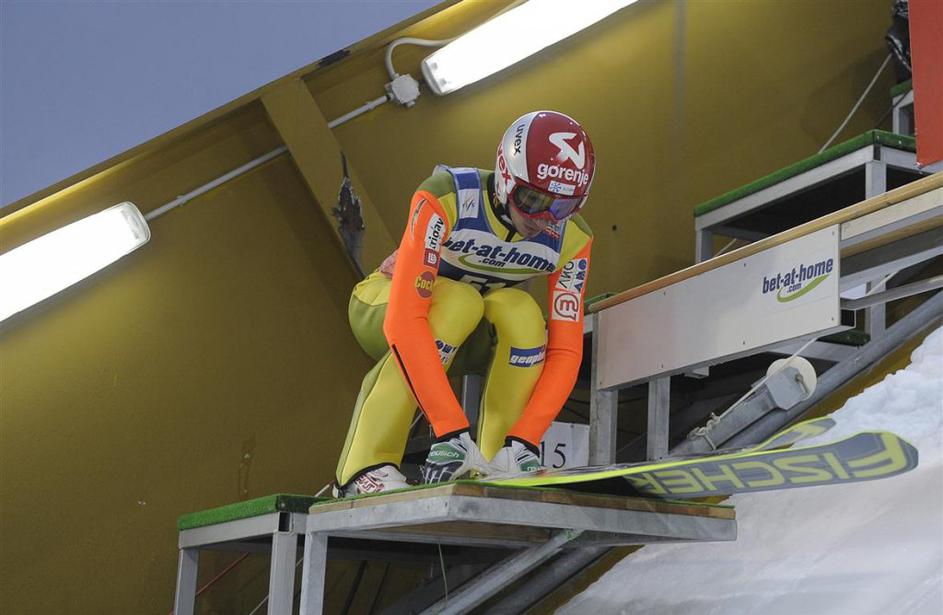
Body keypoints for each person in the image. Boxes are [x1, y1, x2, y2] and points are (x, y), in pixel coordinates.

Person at [334, 110, 596, 496]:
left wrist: (525, 439)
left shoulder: (573, 237)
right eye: (532, 199)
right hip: (384, 305)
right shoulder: (448, 195)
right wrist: (450, 430)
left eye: (561, 207)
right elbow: (403, 322)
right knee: (459, 300)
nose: (543, 219)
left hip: (466, 334)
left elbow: (566, 349)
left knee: (523, 313)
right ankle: (364, 467)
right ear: (505, 177)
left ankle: (497, 460)